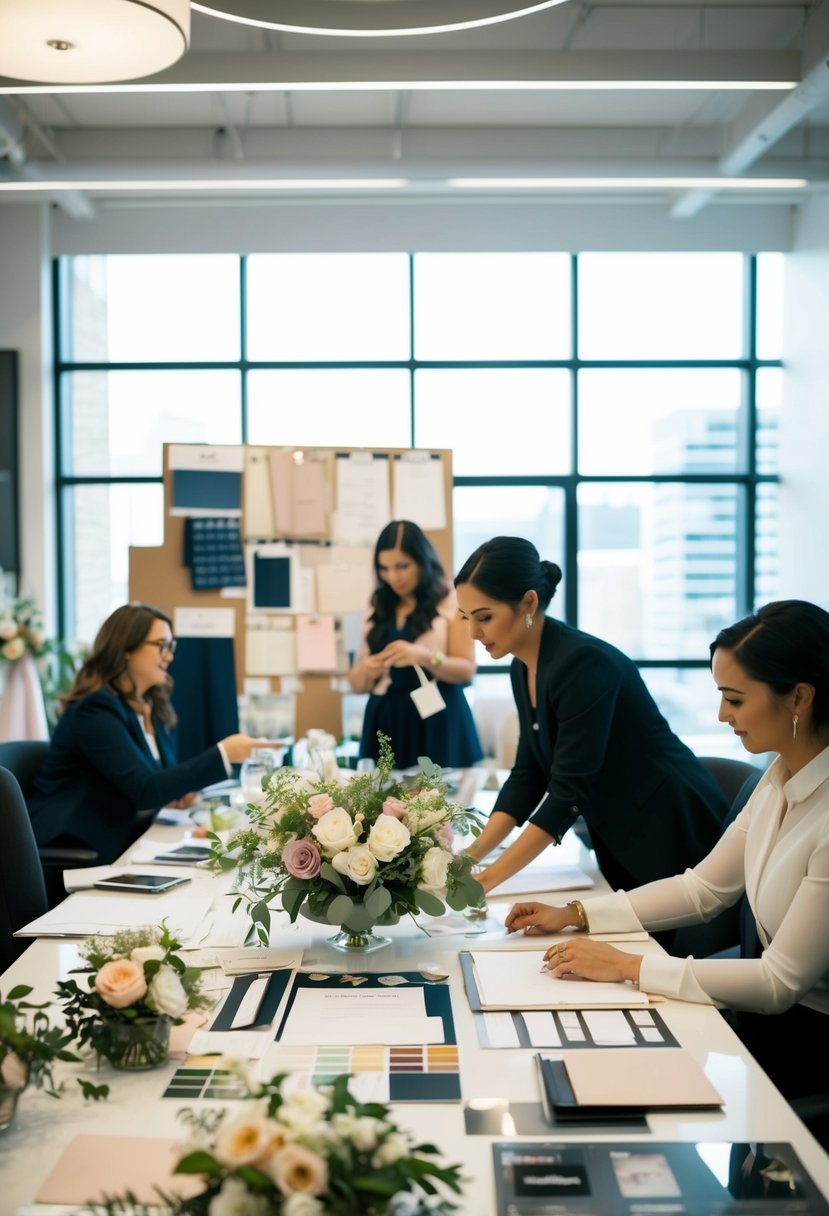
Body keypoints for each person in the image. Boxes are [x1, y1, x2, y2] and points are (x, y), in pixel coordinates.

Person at [504, 600, 829, 1134]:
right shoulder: (777, 778)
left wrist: (627, 966)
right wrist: (575, 913)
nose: (722, 716)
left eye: (735, 699)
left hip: (808, 1043)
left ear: (799, 697)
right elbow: (704, 888)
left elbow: (779, 982)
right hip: (769, 1025)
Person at [454, 536, 729, 897]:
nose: (474, 633)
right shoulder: (522, 668)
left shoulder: (582, 664)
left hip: (671, 828)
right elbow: (529, 774)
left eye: (484, 617)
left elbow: (567, 792)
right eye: (466, 619)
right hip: (621, 831)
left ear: (528, 603)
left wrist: (487, 880)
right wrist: (467, 860)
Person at [29, 602, 279, 864]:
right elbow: (144, 789)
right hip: (80, 843)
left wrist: (177, 792)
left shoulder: (152, 706)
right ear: (126, 648)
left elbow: (159, 780)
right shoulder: (95, 711)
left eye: (171, 647)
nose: (169, 656)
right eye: (162, 645)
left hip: (128, 836)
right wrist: (224, 754)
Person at [348, 520, 483, 770]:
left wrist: (426, 657)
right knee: (381, 804)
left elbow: (467, 669)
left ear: (423, 561)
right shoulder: (375, 605)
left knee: (439, 803)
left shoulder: (451, 602)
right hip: (385, 718)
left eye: (402, 566)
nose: (393, 577)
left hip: (437, 717)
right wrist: (368, 669)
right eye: (384, 568)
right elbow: (355, 684)